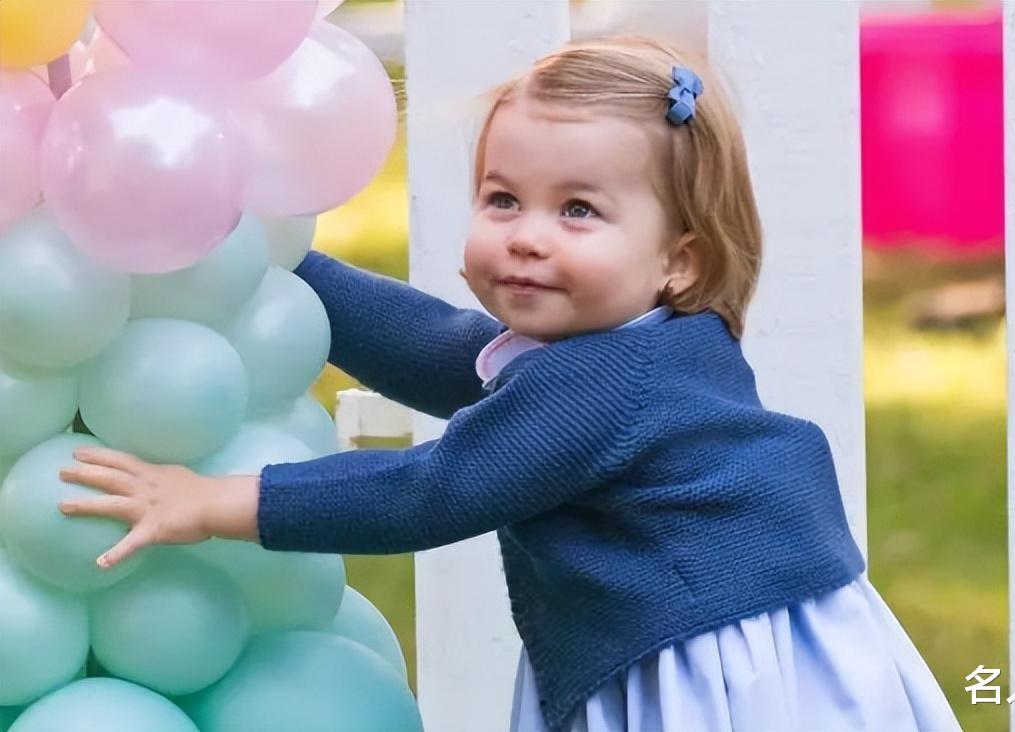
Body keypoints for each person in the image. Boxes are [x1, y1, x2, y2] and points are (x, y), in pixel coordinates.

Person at [58, 35, 961, 732]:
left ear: (679, 261)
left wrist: (215, 501)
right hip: (725, 630)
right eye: (503, 199)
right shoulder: (641, 349)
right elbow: (441, 348)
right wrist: (280, 257)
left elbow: (433, 491)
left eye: (578, 210)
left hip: (708, 659)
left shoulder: (610, 383)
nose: (528, 235)